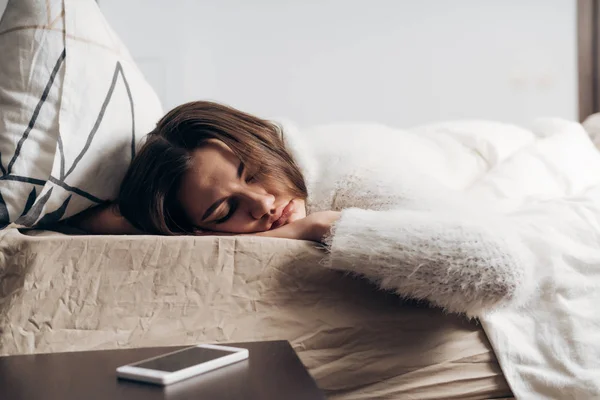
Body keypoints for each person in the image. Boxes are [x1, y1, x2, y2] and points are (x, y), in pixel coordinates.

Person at [72, 101, 534, 316]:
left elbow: (499, 270)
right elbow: (90, 218)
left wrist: (326, 226)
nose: (263, 203)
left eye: (251, 171)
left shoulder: (352, 172)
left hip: (480, 151)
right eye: (222, 210)